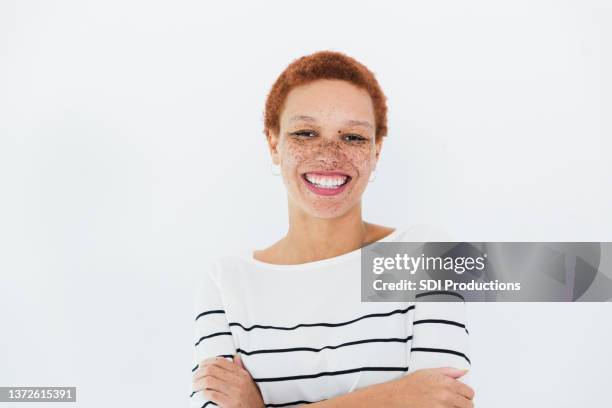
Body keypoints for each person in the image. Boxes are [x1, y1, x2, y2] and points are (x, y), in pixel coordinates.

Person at [190, 50, 474, 408]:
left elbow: (441, 403)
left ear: (376, 150)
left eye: (353, 137)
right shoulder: (227, 282)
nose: (329, 153)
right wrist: (397, 396)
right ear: (274, 143)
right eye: (305, 133)